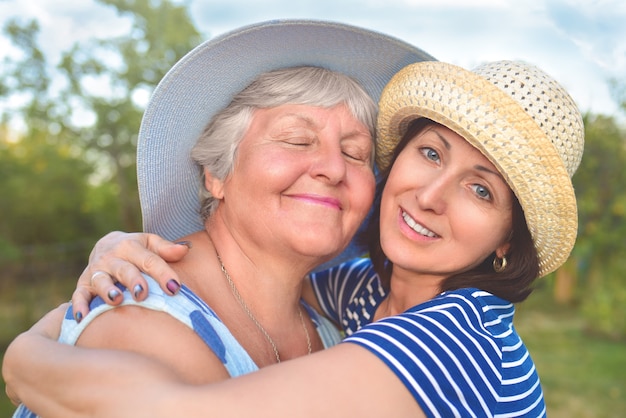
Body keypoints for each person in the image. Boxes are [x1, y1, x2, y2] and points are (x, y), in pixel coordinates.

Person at [3, 59, 585, 417]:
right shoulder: (357, 293)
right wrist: (104, 261)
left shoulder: (455, 344)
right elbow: (266, 285)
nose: (432, 195)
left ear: (508, 241)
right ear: (216, 172)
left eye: (482, 191)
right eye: (430, 153)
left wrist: (25, 352)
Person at [3, 19, 435, 418]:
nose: (333, 168)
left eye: (354, 152)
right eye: (297, 139)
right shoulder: (138, 317)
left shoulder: (346, 317)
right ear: (216, 174)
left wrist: (29, 347)